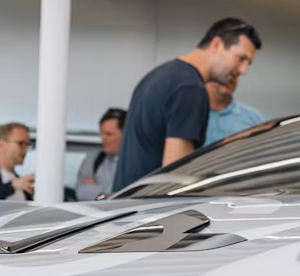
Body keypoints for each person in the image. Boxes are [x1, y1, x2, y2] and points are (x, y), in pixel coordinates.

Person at [112, 18, 262, 190]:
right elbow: (176, 178)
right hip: (151, 211)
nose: (243, 70)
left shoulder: (159, 76)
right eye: (241, 58)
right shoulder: (190, 89)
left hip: (126, 205)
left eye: (248, 63)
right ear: (216, 44)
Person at [76, 108, 125, 200]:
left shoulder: (138, 163)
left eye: (109, 134)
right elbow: (82, 193)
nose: (103, 138)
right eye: (102, 133)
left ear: (125, 134)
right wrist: (113, 193)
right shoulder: (94, 159)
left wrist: (98, 189)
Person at [204, 74, 265, 147]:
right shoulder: (193, 113)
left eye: (234, 75)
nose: (229, 79)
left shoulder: (252, 116)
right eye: (225, 74)